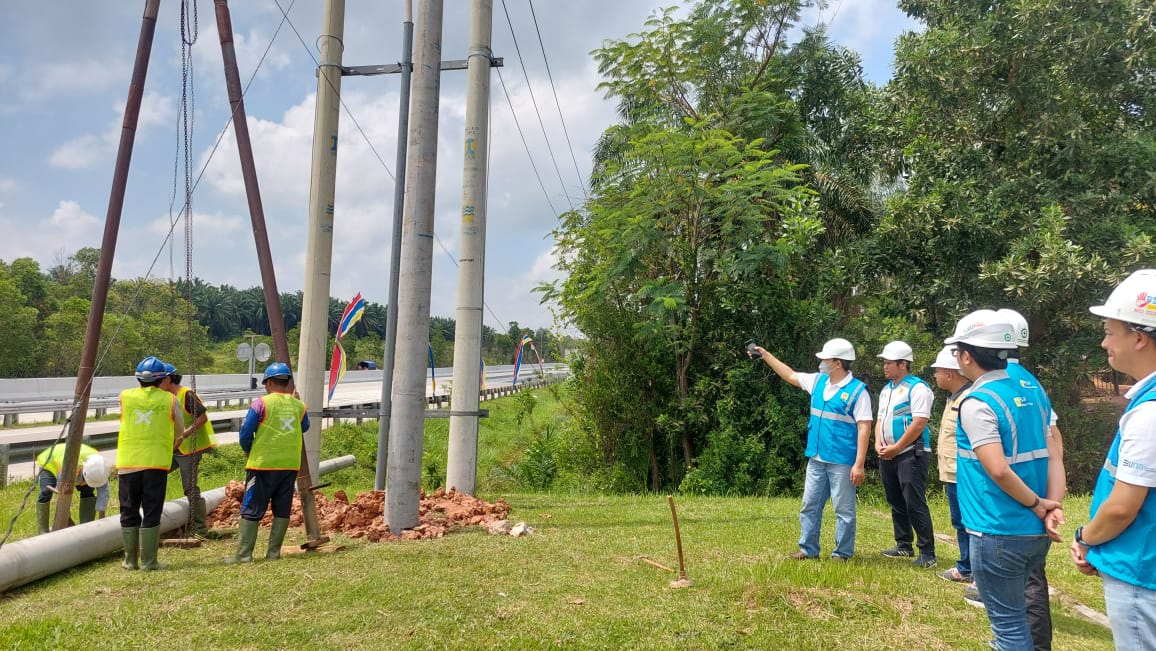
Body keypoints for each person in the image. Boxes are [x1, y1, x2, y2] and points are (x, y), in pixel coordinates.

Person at [947, 314, 1061, 650]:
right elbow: (1055, 454)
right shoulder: (1033, 391)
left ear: (967, 356)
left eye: (956, 352)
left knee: (1009, 629)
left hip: (996, 529)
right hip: (1033, 532)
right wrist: (1051, 507)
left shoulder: (977, 402)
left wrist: (1038, 505)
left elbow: (997, 469)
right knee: (1017, 622)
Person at [1071, 269, 1156, 650]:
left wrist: (1086, 539)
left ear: (1138, 337)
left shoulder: (1149, 413)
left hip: (1140, 573)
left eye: (1109, 331)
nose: (1105, 342)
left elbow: (1122, 507)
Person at [750, 338, 872, 560]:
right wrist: (766, 355)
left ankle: (842, 554)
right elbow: (790, 375)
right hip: (816, 457)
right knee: (810, 505)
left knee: (844, 511)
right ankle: (808, 550)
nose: (822, 362)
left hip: (842, 461)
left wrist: (859, 464)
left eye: (825, 359)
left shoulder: (858, 391)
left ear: (837, 363)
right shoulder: (818, 382)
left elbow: (864, 427)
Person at [993, 308, 1067, 651]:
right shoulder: (1032, 383)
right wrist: (1054, 501)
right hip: (1037, 496)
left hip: (1015, 502)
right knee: (1031, 576)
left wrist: (1042, 504)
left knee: (1026, 583)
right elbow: (1055, 446)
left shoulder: (996, 382)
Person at [229, 362, 309, 563]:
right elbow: (305, 427)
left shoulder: (261, 404)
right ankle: (273, 553)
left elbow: (245, 433)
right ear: (287, 382)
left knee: (252, 507)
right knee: (282, 508)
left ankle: (244, 555)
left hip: (262, 465)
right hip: (289, 465)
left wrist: (248, 450)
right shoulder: (299, 406)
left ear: (270, 383)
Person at [875, 340, 937, 568]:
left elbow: (919, 422)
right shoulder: (886, 390)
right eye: (884, 362)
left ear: (903, 364)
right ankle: (903, 544)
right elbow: (879, 419)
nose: (885, 366)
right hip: (888, 453)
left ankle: (928, 553)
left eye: (889, 362)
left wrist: (897, 447)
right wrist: (878, 443)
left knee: (914, 502)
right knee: (895, 500)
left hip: (911, 453)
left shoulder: (918, 388)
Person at [117, 356, 181, 571]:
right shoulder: (170, 400)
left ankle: (130, 560)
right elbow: (180, 429)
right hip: (156, 464)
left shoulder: (125, 396)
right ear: (162, 379)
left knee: (128, 510)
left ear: (138, 378)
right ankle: (149, 561)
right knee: (152, 510)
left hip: (128, 463)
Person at [930, 345, 973, 583]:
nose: (935, 376)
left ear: (949, 374)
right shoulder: (954, 398)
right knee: (960, 521)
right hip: (953, 472)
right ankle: (967, 566)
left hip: (963, 473)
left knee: (968, 522)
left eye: (937, 371)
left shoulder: (969, 399)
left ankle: (969, 569)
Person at [161, 362, 216, 537]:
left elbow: (202, 418)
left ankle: (199, 528)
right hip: (173, 449)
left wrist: (183, 435)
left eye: (158, 380)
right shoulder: (166, 397)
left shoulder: (186, 395)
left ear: (168, 379)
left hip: (189, 449)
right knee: (155, 476)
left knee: (190, 488)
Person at [35, 443, 110, 533]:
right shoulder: (69, 467)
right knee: (45, 493)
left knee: (88, 491)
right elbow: (62, 494)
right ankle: (43, 531)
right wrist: (67, 519)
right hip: (49, 461)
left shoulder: (100, 467)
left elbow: (103, 492)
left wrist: (101, 518)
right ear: (84, 473)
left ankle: (87, 527)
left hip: (74, 464)